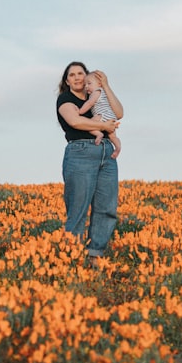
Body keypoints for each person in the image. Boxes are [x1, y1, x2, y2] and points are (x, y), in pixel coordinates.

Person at [55, 61, 123, 266]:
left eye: (80, 73)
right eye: (72, 75)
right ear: (67, 81)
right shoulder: (65, 99)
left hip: (106, 152)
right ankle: (71, 257)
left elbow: (118, 113)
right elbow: (76, 121)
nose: (77, 77)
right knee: (78, 208)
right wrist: (103, 125)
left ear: (87, 76)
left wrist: (107, 86)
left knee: (107, 206)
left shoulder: (98, 95)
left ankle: (95, 256)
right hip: (81, 152)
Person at [76, 71, 121, 158]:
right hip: (111, 117)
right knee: (113, 137)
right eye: (85, 84)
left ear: (99, 84)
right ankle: (118, 147)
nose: (86, 87)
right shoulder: (104, 93)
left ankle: (98, 134)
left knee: (89, 124)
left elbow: (90, 103)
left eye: (89, 83)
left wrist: (80, 111)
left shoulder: (96, 92)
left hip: (102, 115)